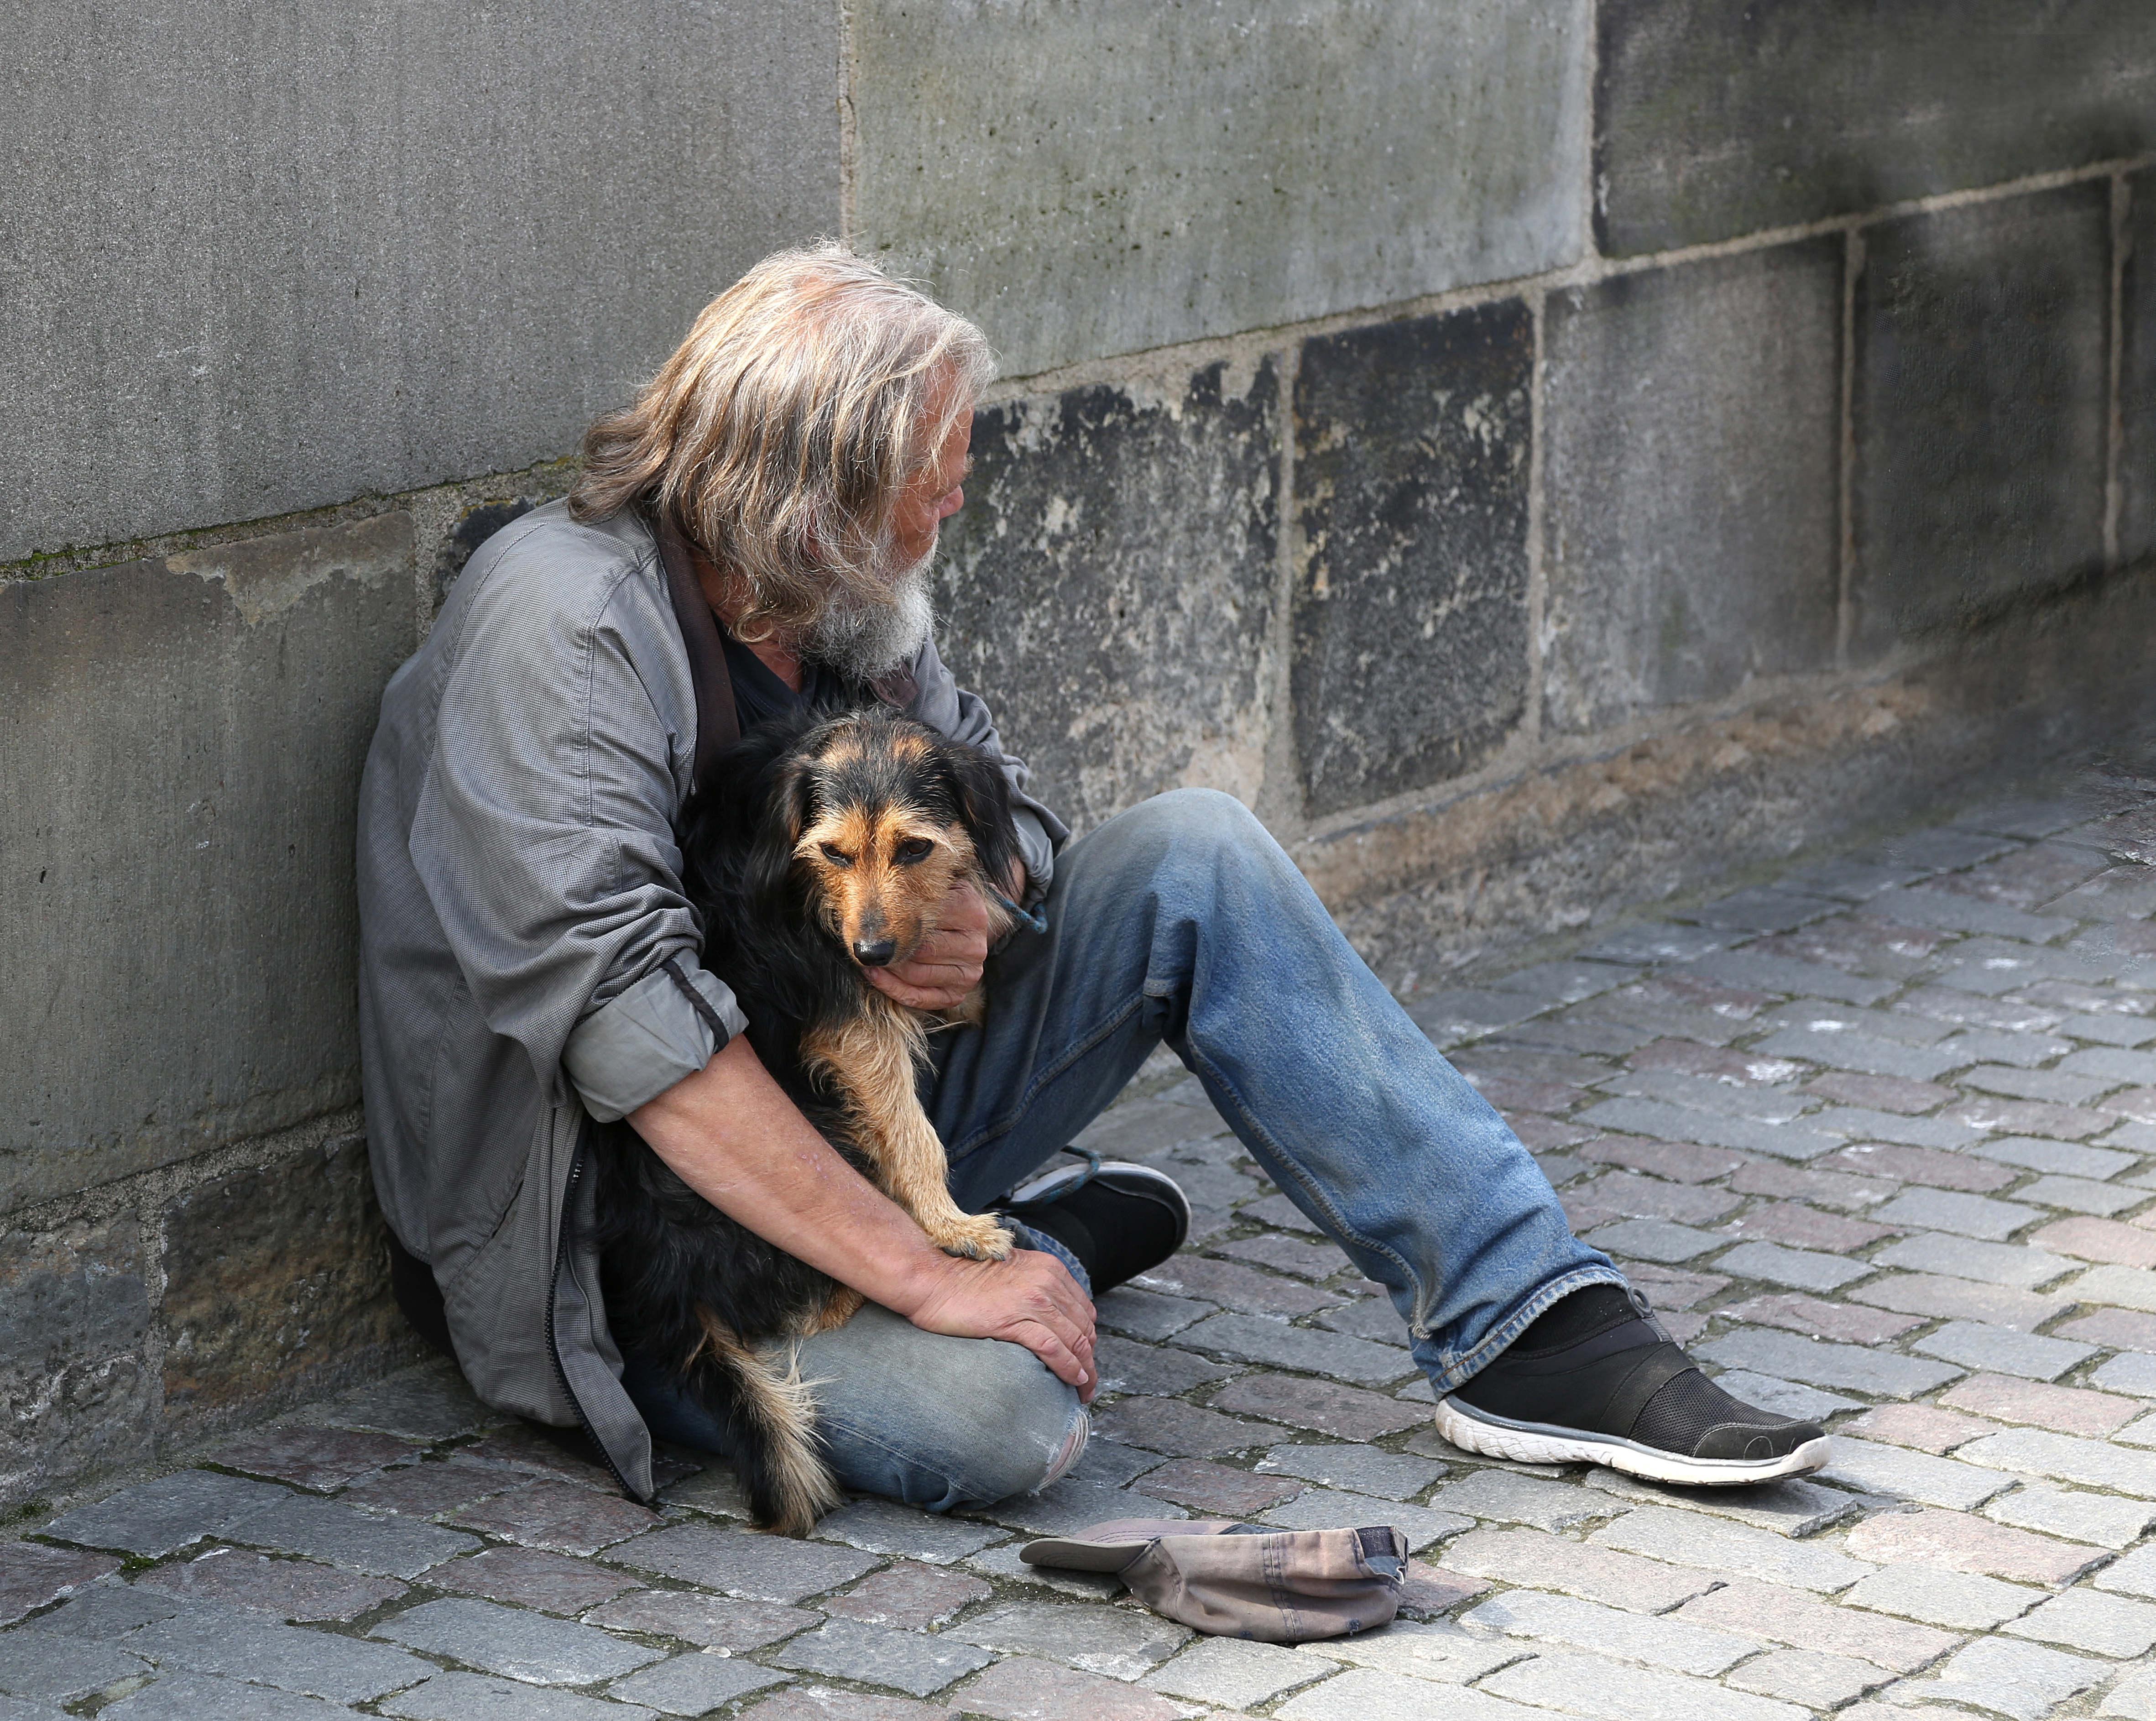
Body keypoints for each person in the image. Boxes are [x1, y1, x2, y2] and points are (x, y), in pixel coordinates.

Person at [355, 244, 1825, 1512]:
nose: (950, 515)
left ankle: (1535, 1322)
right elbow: (638, 1042)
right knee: (1007, 1419)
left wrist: (980, 917)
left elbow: (1015, 811)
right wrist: (929, 1279)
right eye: (927, 490)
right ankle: (1010, 1233)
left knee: (1197, 849)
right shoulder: (562, 631)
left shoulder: (841, 601)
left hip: (852, 1097)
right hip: (636, 1250)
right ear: (813, 501)